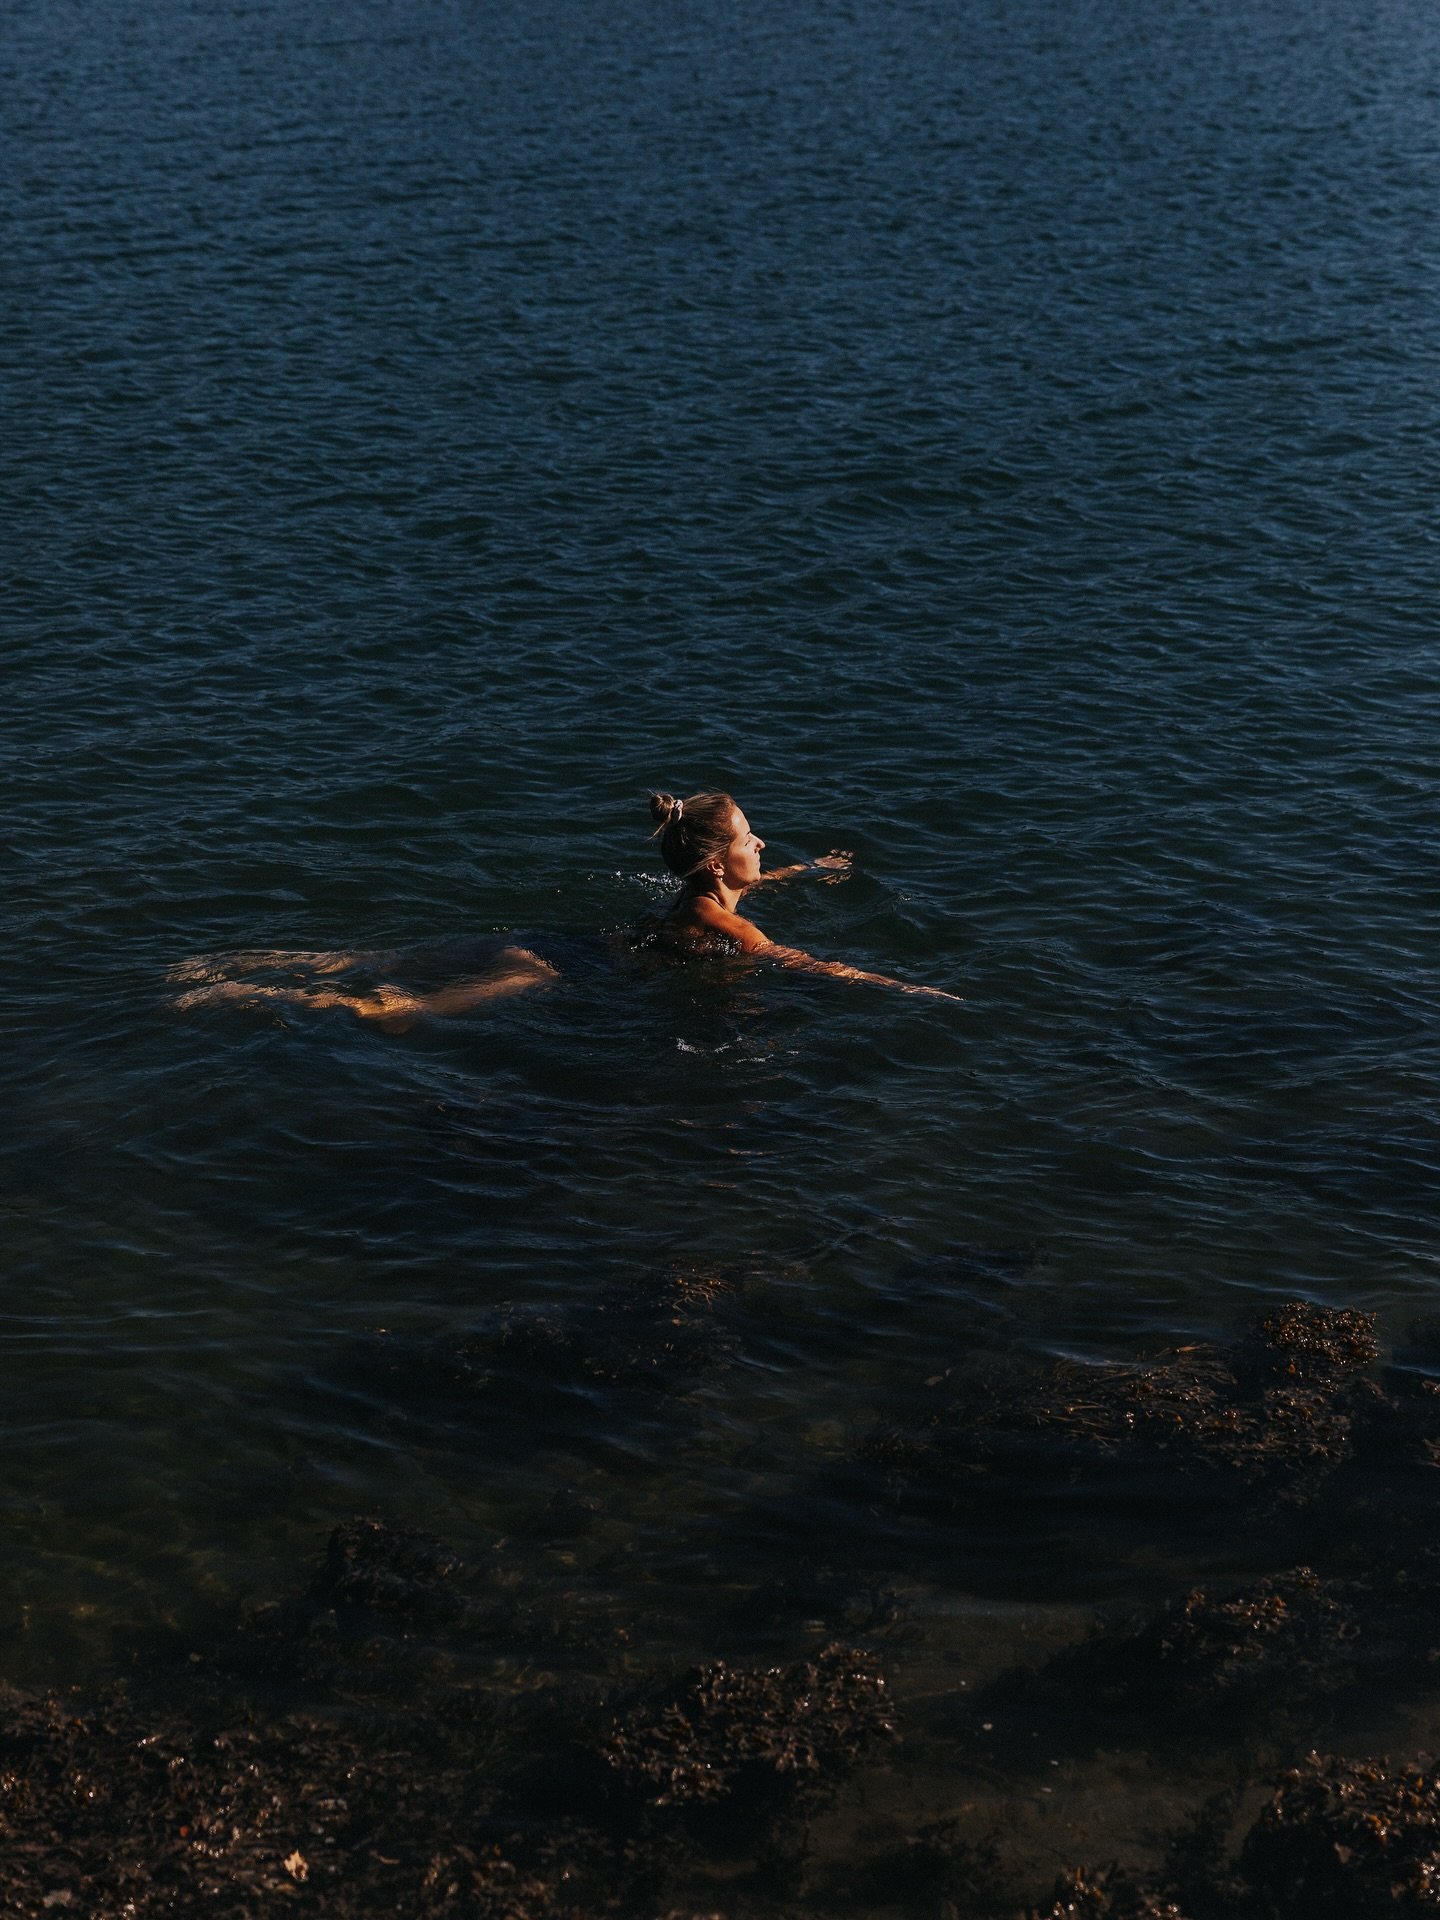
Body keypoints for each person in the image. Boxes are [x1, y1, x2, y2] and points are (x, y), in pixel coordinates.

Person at [647, 790, 961, 1002]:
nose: (760, 844)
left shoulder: (697, 894)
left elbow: (759, 881)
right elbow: (797, 961)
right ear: (716, 866)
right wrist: (905, 988)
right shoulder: (729, 924)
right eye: (747, 840)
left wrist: (808, 867)